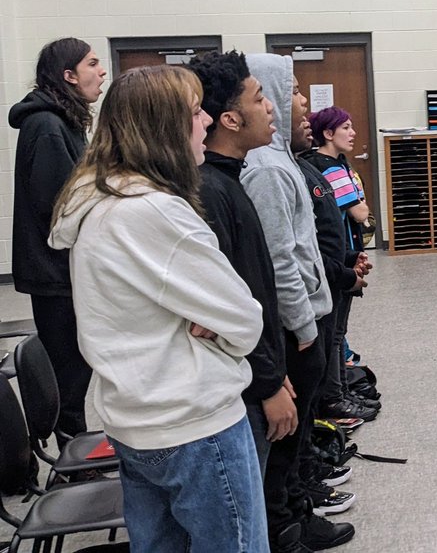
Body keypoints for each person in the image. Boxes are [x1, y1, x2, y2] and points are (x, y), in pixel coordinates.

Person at [47, 65, 269, 552]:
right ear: (164, 129)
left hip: (136, 420)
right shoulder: (154, 211)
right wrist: (220, 323)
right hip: (194, 427)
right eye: (194, 113)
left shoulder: (99, 200)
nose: (207, 120)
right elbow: (246, 320)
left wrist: (213, 318)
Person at [243, 53, 354, 551]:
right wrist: (306, 327)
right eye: (286, 94)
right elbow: (280, 260)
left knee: (303, 422)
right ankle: (287, 523)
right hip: (298, 324)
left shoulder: (283, 160)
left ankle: (298, 502)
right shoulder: (266, 169)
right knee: (287, 434)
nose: (302, 104)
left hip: (313, 311)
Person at [186, 50, 298, 474]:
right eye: (257, 98)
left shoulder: (230, 180)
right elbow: (227, 303)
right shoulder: (211, 192)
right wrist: (267, 383)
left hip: (260, 372)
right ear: (229, 120)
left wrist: (275, 371)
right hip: (245, 387)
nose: (270, 107)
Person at [8, 37, 106, 446]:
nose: (102, 72)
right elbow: (61, 206)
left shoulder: (59, 119)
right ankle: (71, 464)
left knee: (72, 370)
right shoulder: (47, 125)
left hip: (58, 270)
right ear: (68, 76)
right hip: (54, 271)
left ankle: (72, 453)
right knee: (68, 373)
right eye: (92, 64)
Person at [301, 106, 377, 423]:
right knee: (334, 336)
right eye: (346, 127)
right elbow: (361, 213)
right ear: (328, 134)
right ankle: (335, 398)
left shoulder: (338, 164)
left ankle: (342, 391)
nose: (353, 132)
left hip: (347, 254)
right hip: (335, 262)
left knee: (338, 334)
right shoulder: (327, 167)